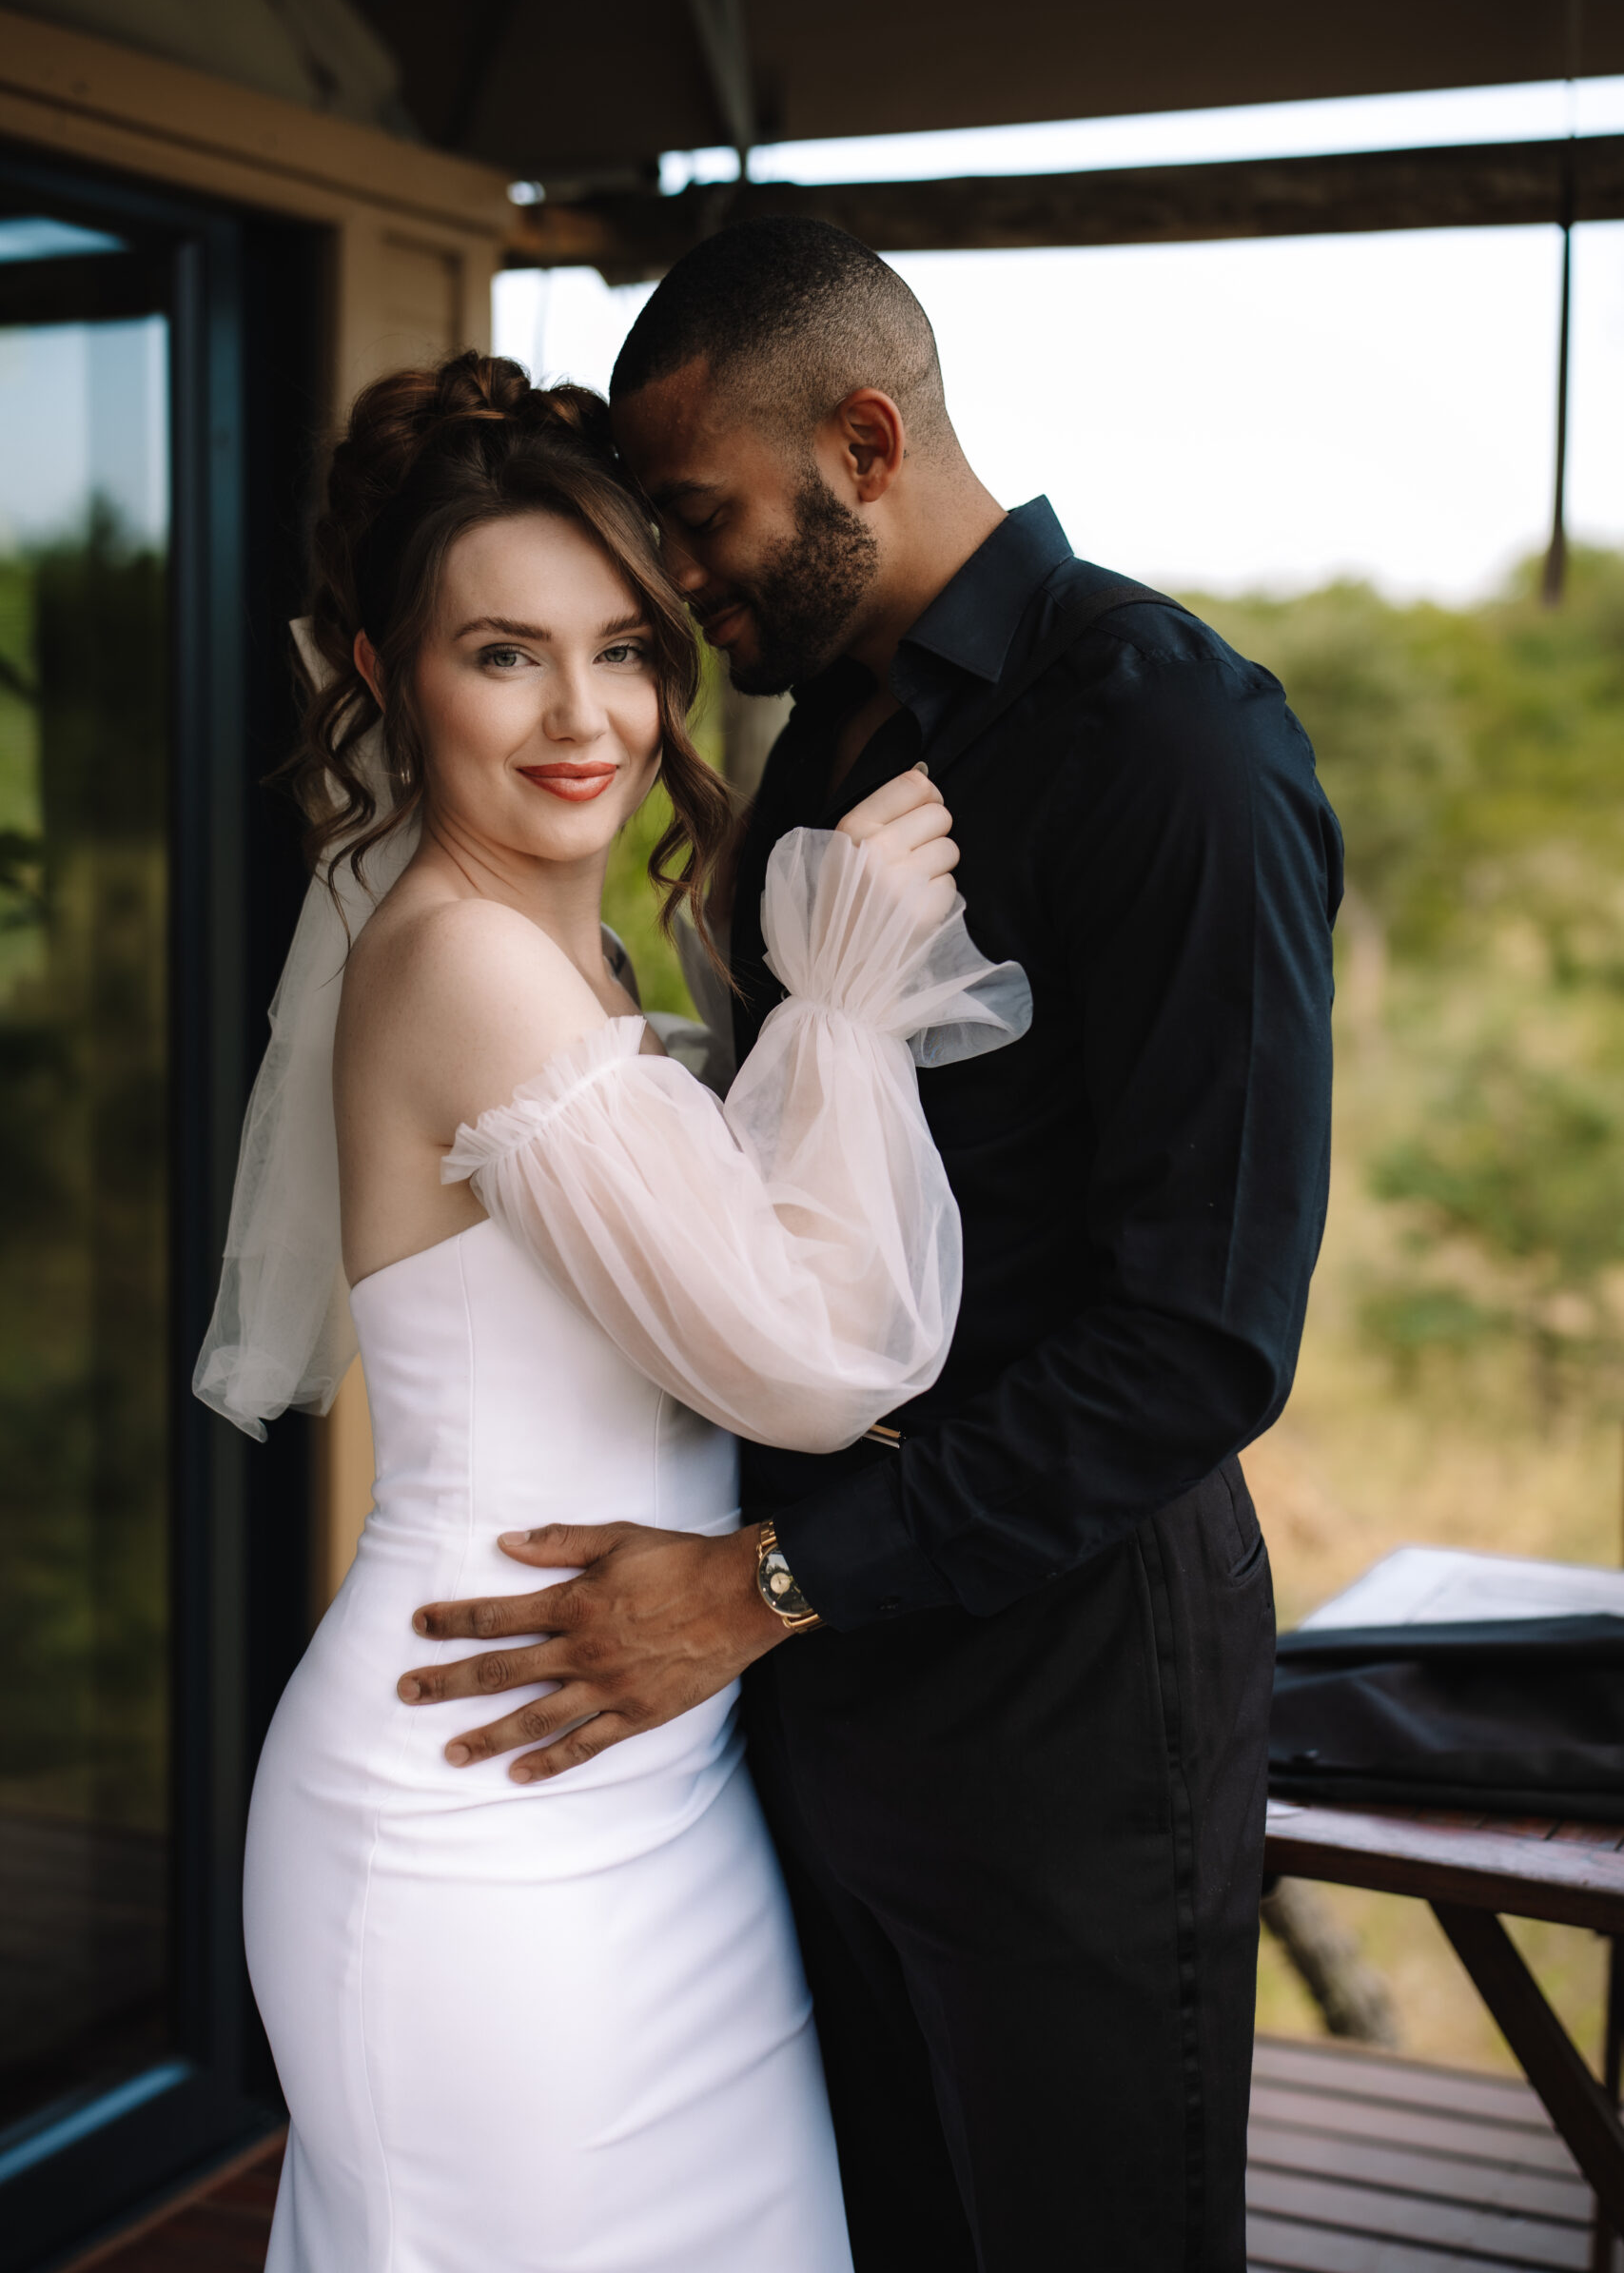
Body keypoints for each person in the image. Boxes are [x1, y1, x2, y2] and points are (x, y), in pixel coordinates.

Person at [405, 222, 1343, 2271]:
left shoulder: (1169, 747)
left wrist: (761, 1583)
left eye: (696, 519)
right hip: (812, 1677)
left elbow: (1197, 1337)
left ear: (858, 439)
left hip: (1061, 1696)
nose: (676, 579)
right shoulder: (811, 729)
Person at [191, 350, 1029, 2273]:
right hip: (474, 1800)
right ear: (390, 672)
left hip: (648, 1772)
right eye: (503, 653)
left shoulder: (572, 944)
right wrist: (838, 1002)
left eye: (626, 648)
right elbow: (808, 1363)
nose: (587, 714)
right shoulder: (465, 961)